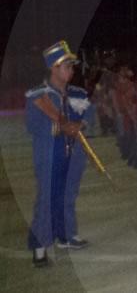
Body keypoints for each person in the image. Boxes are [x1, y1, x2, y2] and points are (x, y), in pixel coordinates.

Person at [26, 41, 94, 267]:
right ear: (53, 68)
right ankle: (39, 247)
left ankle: (66, 235)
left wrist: (81, 125)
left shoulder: (78, 93)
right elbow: (34, 126)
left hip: (73, 154)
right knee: (46, 199)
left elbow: (89, 113)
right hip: (49, 154)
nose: (72, 70)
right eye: (67, 66)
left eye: (72, 66)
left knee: (68, 194)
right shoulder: (38, 95)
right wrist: (62, 128)